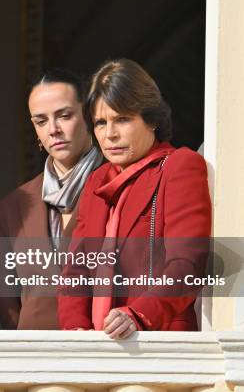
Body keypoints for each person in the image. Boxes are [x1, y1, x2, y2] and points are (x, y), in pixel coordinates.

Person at [58, 58, 211, 340]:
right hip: (98, 346)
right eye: (100, 123)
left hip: (158, 342)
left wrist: (138, 315)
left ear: (151, 119)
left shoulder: (180, 166)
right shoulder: (97, 180)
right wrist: (76, 334)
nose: (110, 134)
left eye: (123, 119)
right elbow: (76, 270)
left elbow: (188, 263)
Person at [0, 69, 103, 331]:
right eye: (41, 121)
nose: (53, 130)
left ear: (89, 116)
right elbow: (9, 310)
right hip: (34, 361)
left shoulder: (120, 187)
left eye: (64, 115)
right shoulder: (9, 208)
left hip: (106, 353)